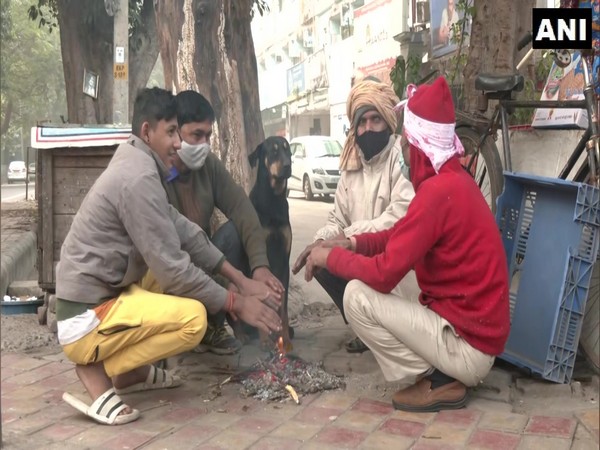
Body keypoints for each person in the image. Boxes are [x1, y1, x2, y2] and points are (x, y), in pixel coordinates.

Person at [56, 87, 282, 425]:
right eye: (172, 132)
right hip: (86, 315)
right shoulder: (138, 178)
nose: (178, 143)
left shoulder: (141, 163)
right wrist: (236, 302)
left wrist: (242, 279)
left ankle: (131, 372)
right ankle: (97, 369)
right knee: (193, 320)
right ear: (147, 132)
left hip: (110, 291)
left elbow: (187, 232)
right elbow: (173, 270)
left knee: (184, 269)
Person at [300, 77, 510, 412]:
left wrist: (332, 257)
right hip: (474, 338)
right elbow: (398, 236)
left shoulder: (437, 193)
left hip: (469, 350)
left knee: (356, 296)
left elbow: (383, 273)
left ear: (421, 148)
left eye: (408, 146)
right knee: (366, 277)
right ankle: (442, 372)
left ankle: (439, 379)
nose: (404, 153)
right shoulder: (453, 182)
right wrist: (351, 244)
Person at [292, 77, 418, 354]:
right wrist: (320, 242)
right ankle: (365, 329)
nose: (368, 128)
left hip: (396, 265)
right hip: (361, 257)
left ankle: (396, 329)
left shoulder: (403, 158)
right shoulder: (351, 166)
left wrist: (344, 239)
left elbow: (398, 219)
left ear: (388, 121)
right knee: (321, 260)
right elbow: (336, 219)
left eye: (375, 120)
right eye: (362, 122)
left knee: (338, 253)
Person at [154, 90, 284, 354]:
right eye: (197, 135)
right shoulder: (154, 174)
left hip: (203, 259)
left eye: (208, 136)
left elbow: (243, 209)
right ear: (175, 133)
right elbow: (172, 254)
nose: (204, 144)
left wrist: (260, 266)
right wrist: (229, 286)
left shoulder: (208, 166)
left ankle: (215, 325)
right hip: (169, 266)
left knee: (237, 232)